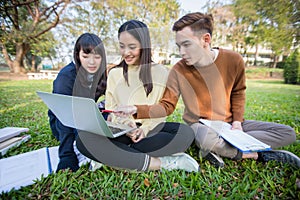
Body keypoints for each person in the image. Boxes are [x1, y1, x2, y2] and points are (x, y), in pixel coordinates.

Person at [114, 12, 300, 168]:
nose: (182, 52)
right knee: (205, 139)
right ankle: (256, 155)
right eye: (179, 46)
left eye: (186, 45)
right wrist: (136, 109)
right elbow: (167, 105)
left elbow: (238, 93)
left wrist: (237, 123)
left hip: (230, 124)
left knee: (288, 133)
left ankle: (222, 149)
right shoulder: (179, 70)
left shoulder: (234, 60)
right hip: (201, 125)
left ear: (206, 39)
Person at [76, 20, 199, 172]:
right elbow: (111, 110)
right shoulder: (114, 73)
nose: (126, 52)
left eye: (132, 47)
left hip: (152, 131)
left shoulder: (162, 72)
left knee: (185, 134)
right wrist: (126, 126)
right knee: (83, 140)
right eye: (122, 46)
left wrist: (144, 129)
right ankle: (163, 163)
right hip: (122, 130)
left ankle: (111, 157)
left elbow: (162, 109)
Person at [48, 33, 107, 172]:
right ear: (77, 55)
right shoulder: (66, 77)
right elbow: (62, 116)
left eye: (97, 57)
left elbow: (113, 98)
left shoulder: (101, 73)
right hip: (64, 121)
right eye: (85, 56)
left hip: (86, 117)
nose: (91, 62)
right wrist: (66, 156)